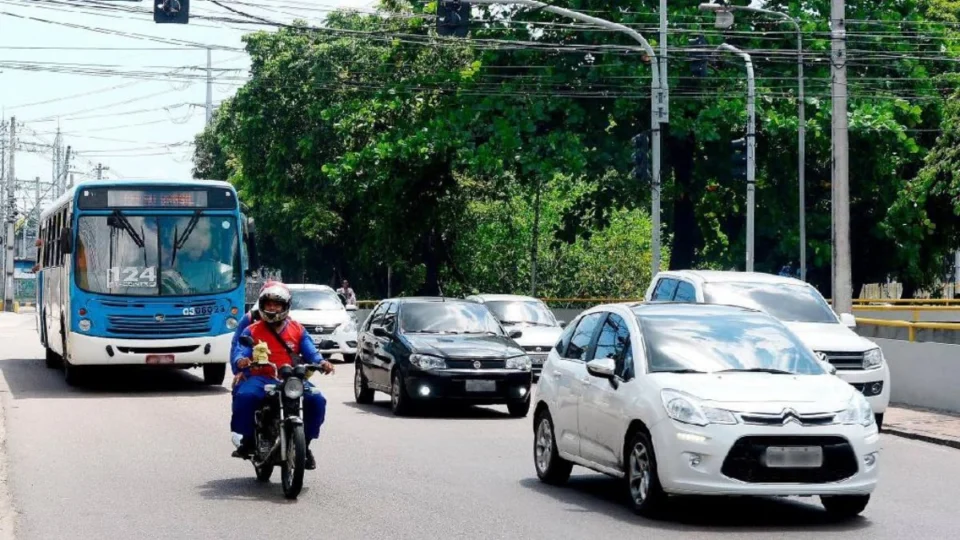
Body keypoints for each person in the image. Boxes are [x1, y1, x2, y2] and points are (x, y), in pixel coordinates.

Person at [230, 282, 334, 470]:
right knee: (246, 396)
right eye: (268, 304)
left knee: (317, 400)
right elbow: (241, 350)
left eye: (277, 304)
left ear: (285, 306)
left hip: (291, 379)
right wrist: (241, 361)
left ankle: (306, 444)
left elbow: (311, 352)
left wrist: (322, 362)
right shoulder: (252, 330)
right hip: (262, 377)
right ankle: (248, 441)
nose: (272, 308)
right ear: (262, 305)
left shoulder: (298, 329)